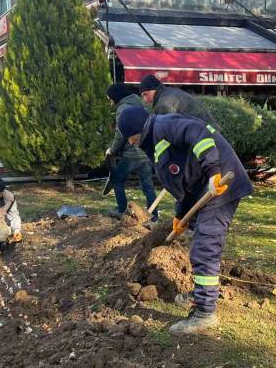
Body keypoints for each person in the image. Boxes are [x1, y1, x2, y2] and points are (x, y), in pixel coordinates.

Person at [118, 106, 253, 335]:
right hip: (203, 189)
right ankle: (202, 293)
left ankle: (204, 314)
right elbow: (181, 183)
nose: (131, 144)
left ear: (136, 130)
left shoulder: (163, 125)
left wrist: (213, 171)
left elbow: (198, 133)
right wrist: (180, 216)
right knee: (199, 245)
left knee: (204, 249)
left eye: (130, 138)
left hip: (221, 186)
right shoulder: (155, 145)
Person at [105, 83, 158, 221]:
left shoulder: (122, 109)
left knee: (117, 179)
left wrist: (112, 150)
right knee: (148, 186)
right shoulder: (141, 104)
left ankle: (121, 210)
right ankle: (154, 217)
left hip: (131, 153)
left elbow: (120, 134)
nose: (110, 102)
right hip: (146, 152)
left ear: (116, 97)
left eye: (110, 98)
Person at [139, 74, 221, 130]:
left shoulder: (163, 105)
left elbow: (168, 135)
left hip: (207, 139)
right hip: (212, 134)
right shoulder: (169, 93)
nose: (145, 100)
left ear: (153, 89)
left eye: (145, 94)